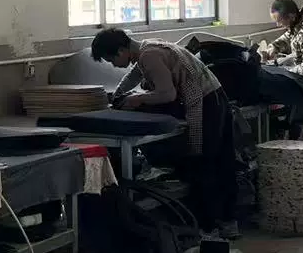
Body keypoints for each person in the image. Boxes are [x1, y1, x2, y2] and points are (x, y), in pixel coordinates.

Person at [89, 27, 235, 231]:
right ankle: (225, 221)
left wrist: (138, 100)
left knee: (206, 163)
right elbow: (134, 76)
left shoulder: (149, 56)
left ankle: (212, 226)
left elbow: (167, 94)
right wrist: (117, 96)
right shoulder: (147, 48)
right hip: (215, 96)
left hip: (207, 103)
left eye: (112, 60)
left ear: (121, 50)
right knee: (221, 160)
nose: (114, 65)